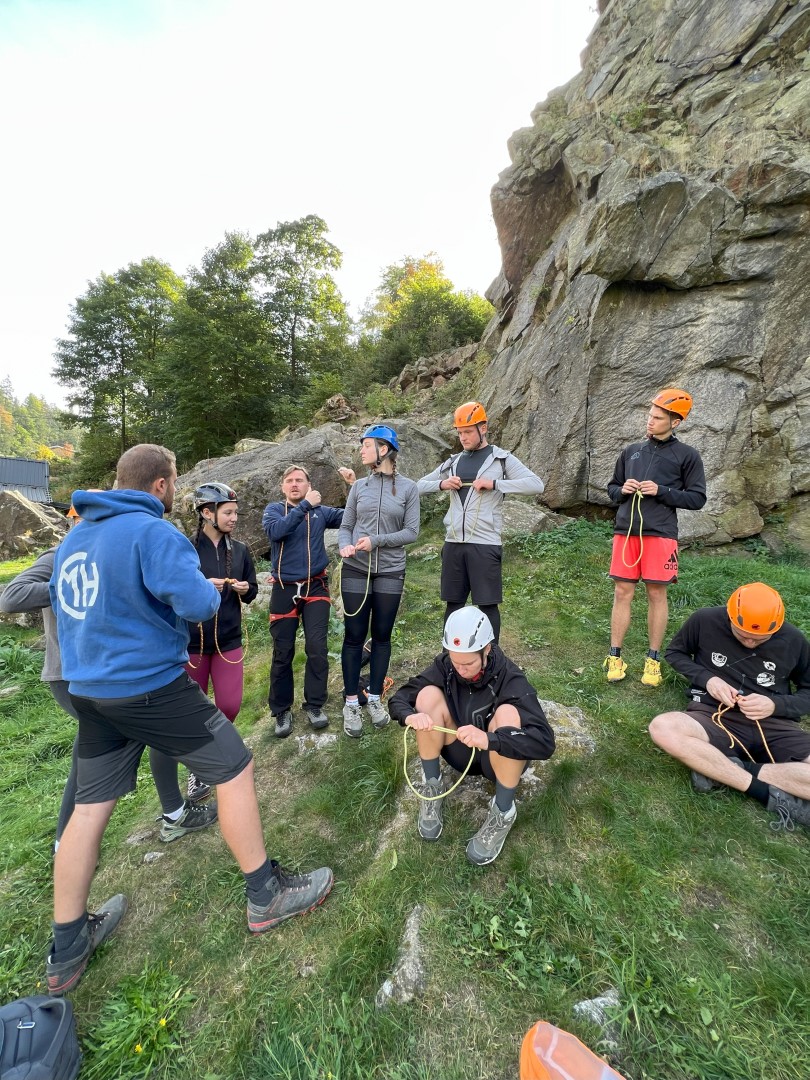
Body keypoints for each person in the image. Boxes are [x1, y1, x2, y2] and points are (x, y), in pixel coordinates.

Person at [46, 444, 333, 996]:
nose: (176, 489)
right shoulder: (154, 534)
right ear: (160, 485)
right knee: (235, 767)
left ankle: (67, 945)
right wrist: (208, 588)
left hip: (88, 691)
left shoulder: (76, 538)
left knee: (88, 807)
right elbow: (198, 604)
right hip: (147, 685)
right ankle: (264, 893)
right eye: (175, 480)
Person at [0, 520, 216, 848]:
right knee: (95, 762)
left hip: (108, 672)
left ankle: (171, 814)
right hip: (71, 677)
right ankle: (69, 848)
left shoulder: (114, 552)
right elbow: (11, 597)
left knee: (113, 748)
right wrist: (67, 585)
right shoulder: (59, 555)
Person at [389, 607, 555, 864]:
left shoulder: (510, 678)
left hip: (495, 760)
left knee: (509, 715)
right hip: (459, 750)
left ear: (487, 649)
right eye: (456, 662)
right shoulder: (447, 666)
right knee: (425, 696)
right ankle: (432, 785)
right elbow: (401, 697)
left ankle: (503, 811)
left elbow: (545, 742)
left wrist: (490, 740)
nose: (461, 670)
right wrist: (410, 716)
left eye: (468, 663)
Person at [648, 582, 810, 832]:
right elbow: (675, 653)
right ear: (730, 616)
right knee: (663, 727)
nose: (750, 642)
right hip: (713, 715)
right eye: (743, 634)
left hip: (774, 724)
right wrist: (708, 679)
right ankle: (766, 794)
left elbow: (807, 692)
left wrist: (775, 704)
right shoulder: (705, 620)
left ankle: (728, 768)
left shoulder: (794, 640)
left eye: (760, 639)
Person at [416, 401, 544, 644]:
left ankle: (491, 658)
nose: (463, 438)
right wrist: (441, 484)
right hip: (453, 543)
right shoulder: (453, 461)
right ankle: (451, 659)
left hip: (485, 545)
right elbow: (417, 486)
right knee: (453, 605)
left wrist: (495, 484)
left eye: (468, 432)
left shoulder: (501, 459)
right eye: (460, 432)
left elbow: (536, 484)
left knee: (487, 606)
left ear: (483, 428)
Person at [604, 388, 706, 688]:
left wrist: (662, 492)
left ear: (675, 422)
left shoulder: (687, 455)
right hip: (627, 531)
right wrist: (622, 490)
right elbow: (612, 489)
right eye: (650, 415)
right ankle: (615, 656)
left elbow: (697, 498)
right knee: (622, 592)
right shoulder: (631, 451)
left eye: (658, 417)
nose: (650, 421)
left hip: (660, 534)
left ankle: (653, 660)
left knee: (656, 594)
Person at [339, 425, 419, 737]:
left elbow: (411, 532)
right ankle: (350, 703)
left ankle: (374, 698)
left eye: (366, 445)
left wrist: (377, 540)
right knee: (353, 636)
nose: (361, 450)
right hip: (355, 568)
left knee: (382, 636)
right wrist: (345, 544)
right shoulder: (359, 487)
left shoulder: (409, 488)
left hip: (390, 569)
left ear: (383, 449)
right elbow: (346, 525)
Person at [185, 482, 257, 800]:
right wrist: (200, 586)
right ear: (206, 513)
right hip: (192, 643)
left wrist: (245, 590)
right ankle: (199, 769)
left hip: (229, 640)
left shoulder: (240, 551)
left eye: (235, 512)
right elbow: (173, 591)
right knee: (193, 709)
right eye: (228, 512)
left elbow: (253, 590)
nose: (234, 518)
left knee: (229, 704)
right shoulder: (185, 549)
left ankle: (216, 747)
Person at [262, 465, 344, 737]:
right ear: (282, 487)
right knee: (282, 653)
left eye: (300, 480)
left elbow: (352, 516)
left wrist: (354, 488)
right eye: (289, 481)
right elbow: (276, 533)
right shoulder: (274, 511)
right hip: (284, 588)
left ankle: (315, 705)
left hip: (316, 586)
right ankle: (281, 711)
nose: (294, 484)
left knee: (317, 647)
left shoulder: (321, 513)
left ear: (309, 485)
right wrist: (305, 506)